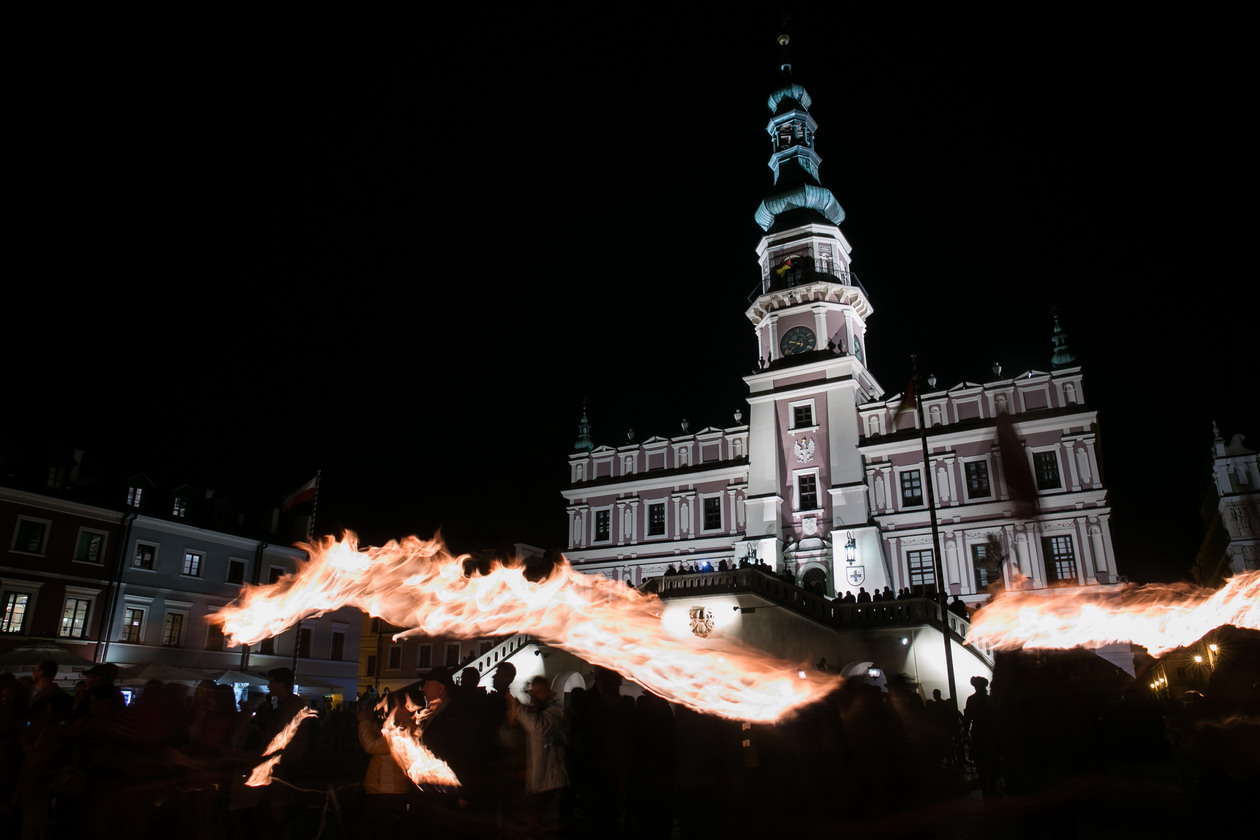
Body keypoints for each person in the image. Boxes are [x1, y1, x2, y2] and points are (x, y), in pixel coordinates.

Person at [509, 676, 570, 836]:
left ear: (549, 692)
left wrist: (519, 709)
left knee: (548, 828)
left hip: (551, 782)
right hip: (538, 781)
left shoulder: (556, 711)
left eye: (540, 692)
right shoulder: (537, 711)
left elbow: (539, 729)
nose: (535, 696)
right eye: (533, 693)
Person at [357, 693, 415, 835]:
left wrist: (364, 722)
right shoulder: (404, 726)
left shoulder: (400, 730)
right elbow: (382, 742)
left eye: (390, 706)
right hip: (391, 789)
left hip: (387, 791)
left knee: (383, 831)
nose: (385, 709)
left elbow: (372, 746)